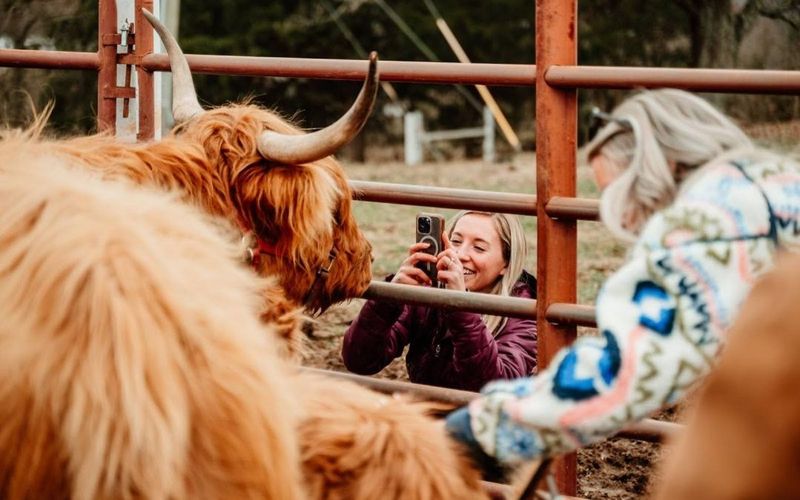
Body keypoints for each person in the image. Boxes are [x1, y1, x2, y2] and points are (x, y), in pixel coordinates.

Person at [445, 88, 800, 464]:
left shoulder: (702, 228)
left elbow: (627, 369)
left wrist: (483, 426)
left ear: (659, 170)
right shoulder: (777, 182)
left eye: (618, 195)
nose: (623, 219)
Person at [341, 210, 538, 391]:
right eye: (456, 241)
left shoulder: (523, 311)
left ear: (507, 263)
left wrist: (459, 306)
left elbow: (494, 389)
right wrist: (388, 299)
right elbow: (360, 361)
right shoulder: (429, 292)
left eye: (478, 248)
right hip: (426, 414)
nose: (460, 255)